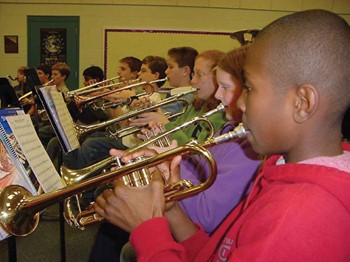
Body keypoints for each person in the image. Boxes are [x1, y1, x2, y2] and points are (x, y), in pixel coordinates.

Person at [94, 9, 350, 261]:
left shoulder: (296, 217)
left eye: (249, 88)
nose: (239, 103)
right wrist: (171, 210)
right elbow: (217, 253)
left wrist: (148, 230)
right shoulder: (278, 167)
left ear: (302, 103)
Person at [130, 49, 227, 146]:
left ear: (217, 78)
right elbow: (175, 135)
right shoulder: (195, 106)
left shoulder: (221, 116)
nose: (193, 80)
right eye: (194, 74)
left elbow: (195, 153)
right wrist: (149, 123)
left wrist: (163, 122)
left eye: (199, 74)